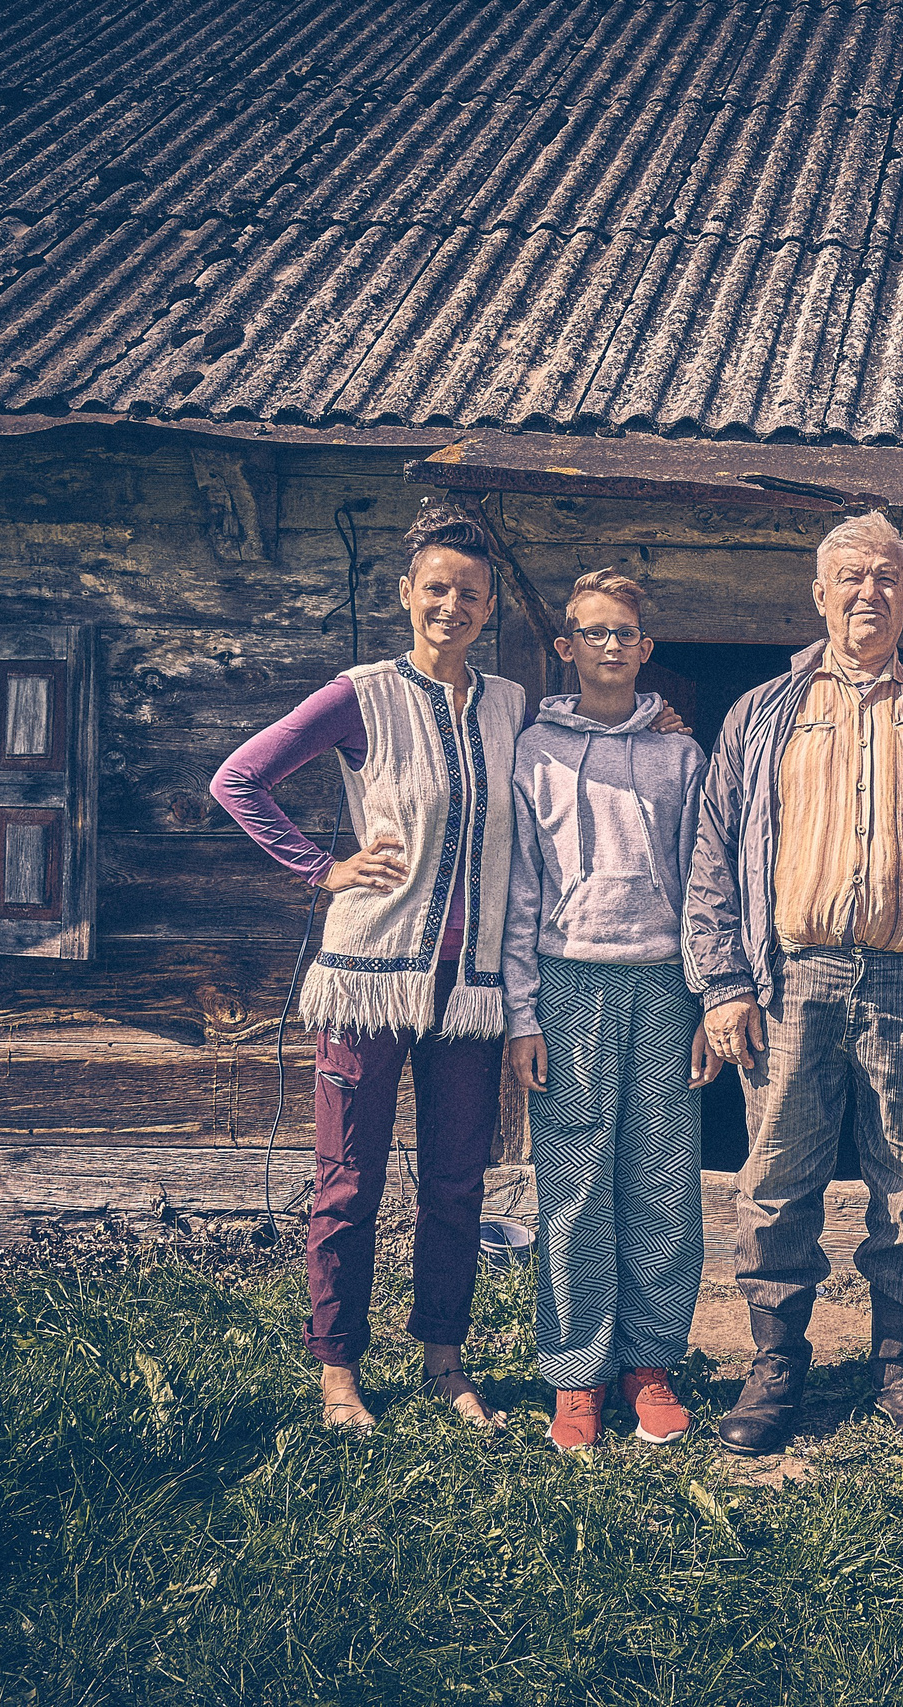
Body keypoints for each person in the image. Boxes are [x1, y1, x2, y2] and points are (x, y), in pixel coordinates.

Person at [686, 510, 903, 1455]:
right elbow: (714, 856)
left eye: (887, 577)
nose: (869, 591)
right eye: (852, 577)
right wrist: (722, 985)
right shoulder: (764, 712)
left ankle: (897, 1362)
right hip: (793, 978)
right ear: (820, 594)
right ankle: (776, 1363)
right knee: (776, 1179)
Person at [211, 505, 523, 1432]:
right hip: (369, 976)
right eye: (436, 587)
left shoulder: (509, 705)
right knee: (348, 1180)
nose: (451, 604)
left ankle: (444, 1358)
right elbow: (239, 778)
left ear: (491, 604)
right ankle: (339, 1369)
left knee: (457, 1182)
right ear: (405, 594)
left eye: (469, 592)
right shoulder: (360, 694)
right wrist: (323, 865)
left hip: (468, 991)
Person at [501, 570, 719, 1454]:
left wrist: (711, 997)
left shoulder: (680, 756)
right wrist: (522, 1013)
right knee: (574, 1186)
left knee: (663, 1177)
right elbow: (518, 888)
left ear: (647, 647)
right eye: (594, 631)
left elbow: (709, 883)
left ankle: (651, 1366)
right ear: (567, 647)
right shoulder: (534, 753)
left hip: (664, 982)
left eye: (626, 632)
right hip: (567, 982)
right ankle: (577, 1376)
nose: (611, 646)